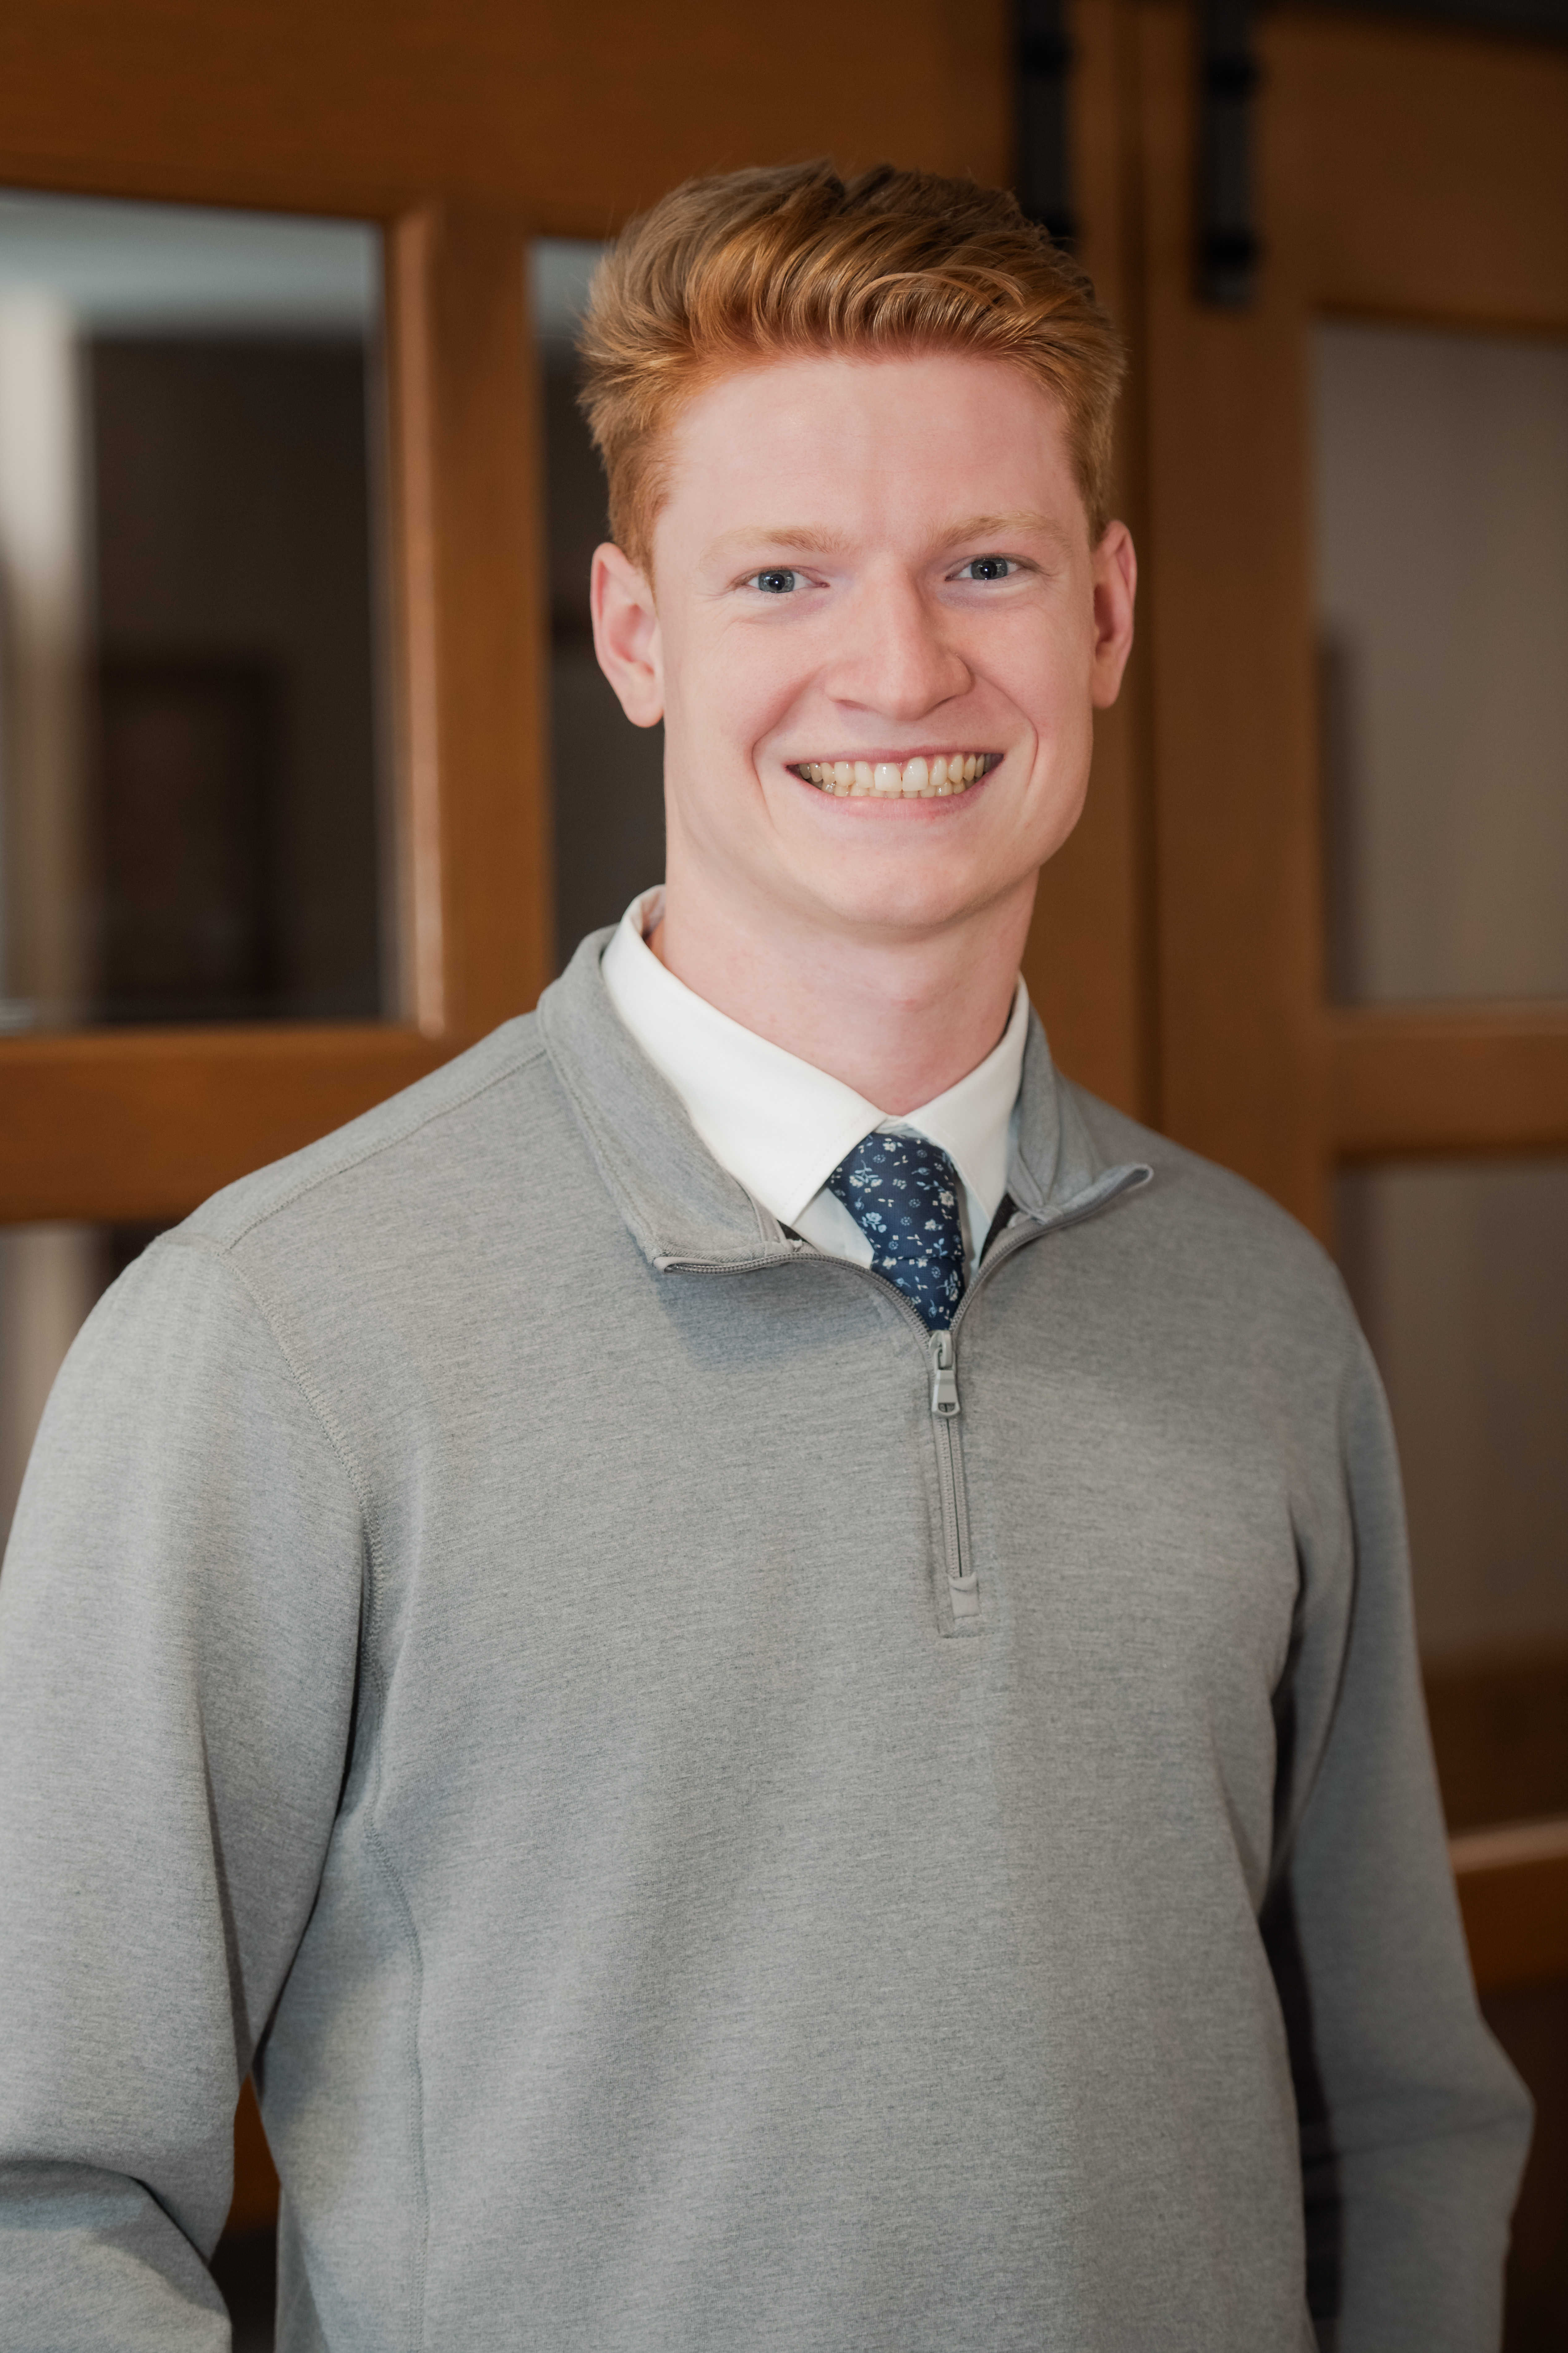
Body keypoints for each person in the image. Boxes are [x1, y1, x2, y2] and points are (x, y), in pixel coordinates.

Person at [0, 160, 1529, 2352]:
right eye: (785, 574)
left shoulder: (1260, 1309)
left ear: (1103, 615)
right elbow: (38, 2194)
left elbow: (1395, 2110)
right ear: (639, 633)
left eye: (982, 564)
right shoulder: (276, 1339)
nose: (897, 664)